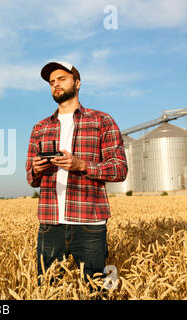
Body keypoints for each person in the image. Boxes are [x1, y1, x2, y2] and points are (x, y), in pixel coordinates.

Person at [25, 61, 128, 285]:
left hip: (89, 225)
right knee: (47, 290)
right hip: (50, 225)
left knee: (96, 289)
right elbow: (30, 178)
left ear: (77, 83)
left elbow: (120, 169)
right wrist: (35, 169)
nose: (56, 85)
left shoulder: (102, 121)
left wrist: (82, 165)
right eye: (52, 82)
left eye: (62, 79)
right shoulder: (39, 128)